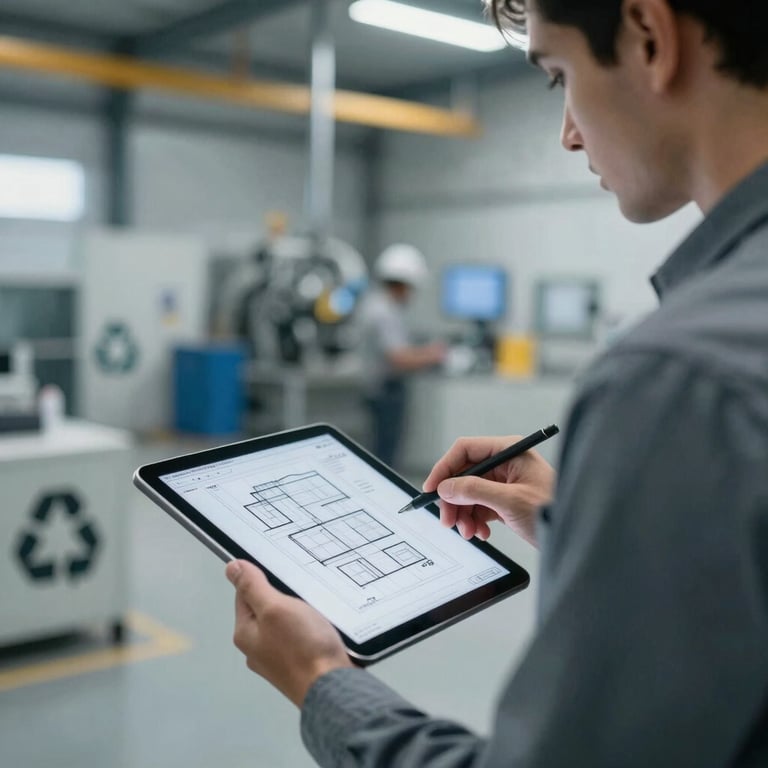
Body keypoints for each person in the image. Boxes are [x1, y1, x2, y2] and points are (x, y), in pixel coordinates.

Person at [224, 1, 768, 765]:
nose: (571, 132)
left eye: (558, 77)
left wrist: (321, 681)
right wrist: (587, 527)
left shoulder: (679, 380)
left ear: (650, 35)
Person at [356, 243, 446, 467]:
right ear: (404, 284)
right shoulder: (384, 311)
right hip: (385, 391)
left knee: (380, 450)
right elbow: (398, 357)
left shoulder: (375, 304)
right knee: (384, 454)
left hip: (376, 390)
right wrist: (434, 354)